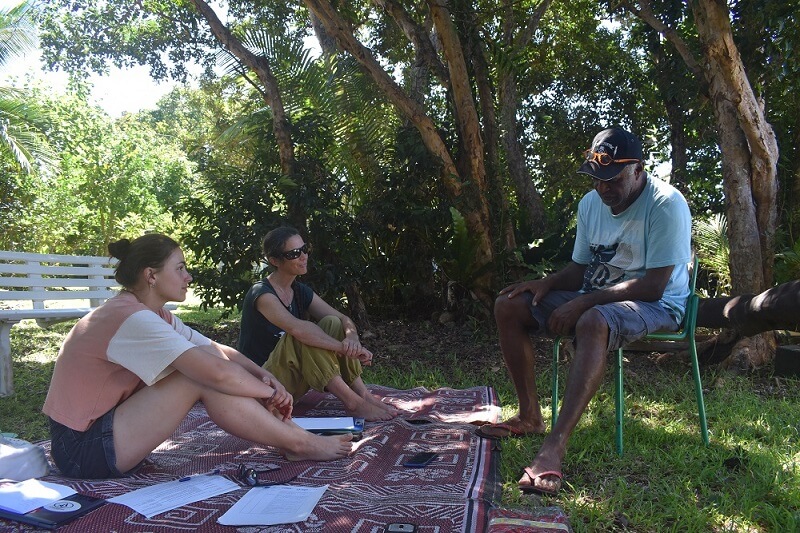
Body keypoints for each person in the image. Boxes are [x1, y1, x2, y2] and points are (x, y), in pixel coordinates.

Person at [481, 127, 692, 495]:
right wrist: (546, 282)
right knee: (508, 306)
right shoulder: (591, 204)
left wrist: (583, 301)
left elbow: (654, 285)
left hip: (658, 305)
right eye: (597, 179)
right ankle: (530, 416)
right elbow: (579, 270)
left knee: (594, 318)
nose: (603, 188)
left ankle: (553, 449)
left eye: (613, 179)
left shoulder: (666, 204)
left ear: (638, 169)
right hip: (597, 297)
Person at [42, 234, 353, 479]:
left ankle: (295, 438)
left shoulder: (150, 313)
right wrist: (272, 393)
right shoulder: (131, 319)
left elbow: (216, 350)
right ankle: (300, 442)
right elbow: (215, 373)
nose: (188, 276)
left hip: (101, 437)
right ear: (151, 275)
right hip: (81, 452)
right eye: (180, 268)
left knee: (212, 372)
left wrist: (262, 375)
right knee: (197, 377)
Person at [237, 226, 399, 422]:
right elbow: (297, 329)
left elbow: (342, 319)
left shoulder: (299, 290)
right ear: (274, 261)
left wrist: (352, 338)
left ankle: (363, 395)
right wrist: (344, 349)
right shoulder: (261, 294)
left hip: (288, 385)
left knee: (331, 323)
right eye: (294, 253)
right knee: (302, 335)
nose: (303, 256)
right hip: (263, 386)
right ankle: (352, 403)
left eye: (305, 249)